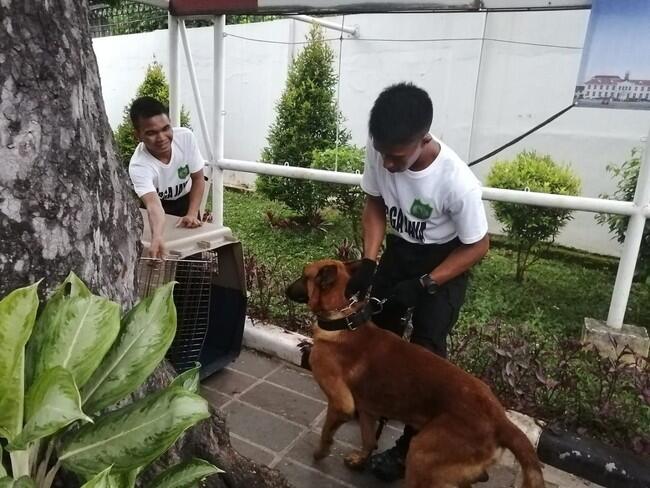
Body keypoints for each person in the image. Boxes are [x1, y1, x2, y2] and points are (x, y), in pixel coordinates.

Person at [345, 82, 490, 482]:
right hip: (400, 250)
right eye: (382, 154)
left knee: (426, 355)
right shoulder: (381, 151)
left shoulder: (457, 183)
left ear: (423, 138)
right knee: (378, 337)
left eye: (397, 157)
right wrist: (370, 260)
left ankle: (409, 445)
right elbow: (374, 203)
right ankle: (374, 407)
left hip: (445, 261)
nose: (388, 165)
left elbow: (478, 245)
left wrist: (427, 283)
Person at [128, 96, 206, 258]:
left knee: (192, 256)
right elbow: (153, 205)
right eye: (151, 133)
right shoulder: (139, 165)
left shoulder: (185, 138)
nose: (162, 137)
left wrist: (192, 213)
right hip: (158, 206)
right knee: (159, 256)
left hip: (186, 201)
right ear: (137, 135)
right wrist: (157, 236)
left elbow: (198, 179)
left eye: (165, 128)